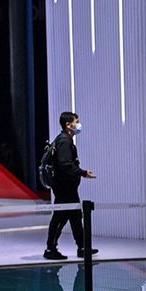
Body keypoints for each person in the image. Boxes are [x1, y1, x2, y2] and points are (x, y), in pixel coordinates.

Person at [45, 111, 97, 261]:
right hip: (64, 187)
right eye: (77, 121)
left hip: (67, 187)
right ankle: (50, 248)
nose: (79, 124)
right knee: (60, 217)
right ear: (68, 125)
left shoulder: (64, 140)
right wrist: (82, 172)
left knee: (75, 216)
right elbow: (65, 164)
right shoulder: (64, 141)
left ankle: (82, 247)